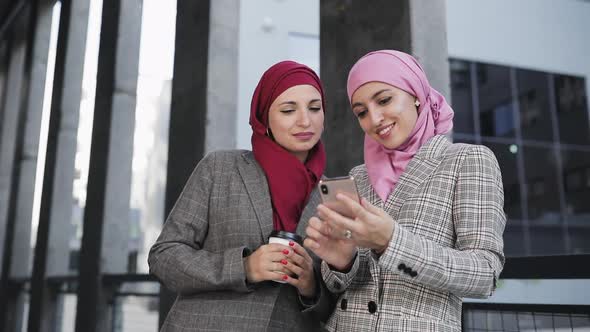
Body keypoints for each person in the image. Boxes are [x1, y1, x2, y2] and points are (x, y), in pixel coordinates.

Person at [304, 50, 506, 332]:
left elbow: (484, 275)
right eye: (361, 112)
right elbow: (338, 285)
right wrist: (341, 263)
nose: (374, 119)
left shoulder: (466, 160)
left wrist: (392, 241)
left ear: (414, 93)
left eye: (384, 100)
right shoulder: (358, 177)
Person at [149, 61, 334, 331]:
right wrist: (244, 266)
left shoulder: (333, 196)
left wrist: (310, 285)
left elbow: (345, 300)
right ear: (264, 118)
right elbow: (164, 257)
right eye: (288, 110)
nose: (305, 120)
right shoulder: (221, 169)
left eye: (314, 108)